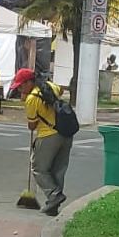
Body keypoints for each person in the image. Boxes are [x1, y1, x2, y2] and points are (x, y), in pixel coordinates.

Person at [9, 67, 73, 216]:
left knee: (39, 168)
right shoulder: (49, 86)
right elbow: (60, 91)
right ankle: (53, 205)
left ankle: (54, 195)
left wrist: (29, 100)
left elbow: (32, 125)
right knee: (58, 170)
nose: (19, 90)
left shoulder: (32, 99)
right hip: (65, 133)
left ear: (29, 82)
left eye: (21, 86)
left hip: (48, 136)